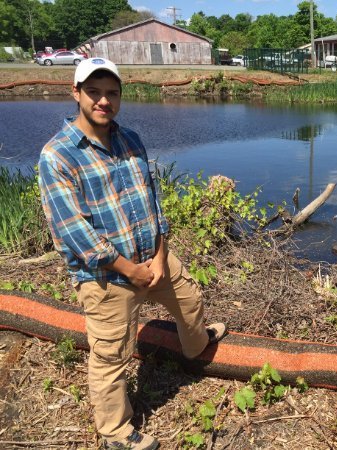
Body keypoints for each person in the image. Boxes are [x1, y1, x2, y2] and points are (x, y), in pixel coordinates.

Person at [38, 57, 227, 450]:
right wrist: (130, 271)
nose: (103, 100)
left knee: (191, 301)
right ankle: (115, 432)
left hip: (152, 256)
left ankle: (195, 347)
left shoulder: (130, 140)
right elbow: (75, 232)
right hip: (107, 276)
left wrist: (160, 256)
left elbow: (151, 203)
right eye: (94, 92)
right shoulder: (57, 156)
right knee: (111, 356)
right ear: (76, 94)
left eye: (111, 93)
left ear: (120, 97)